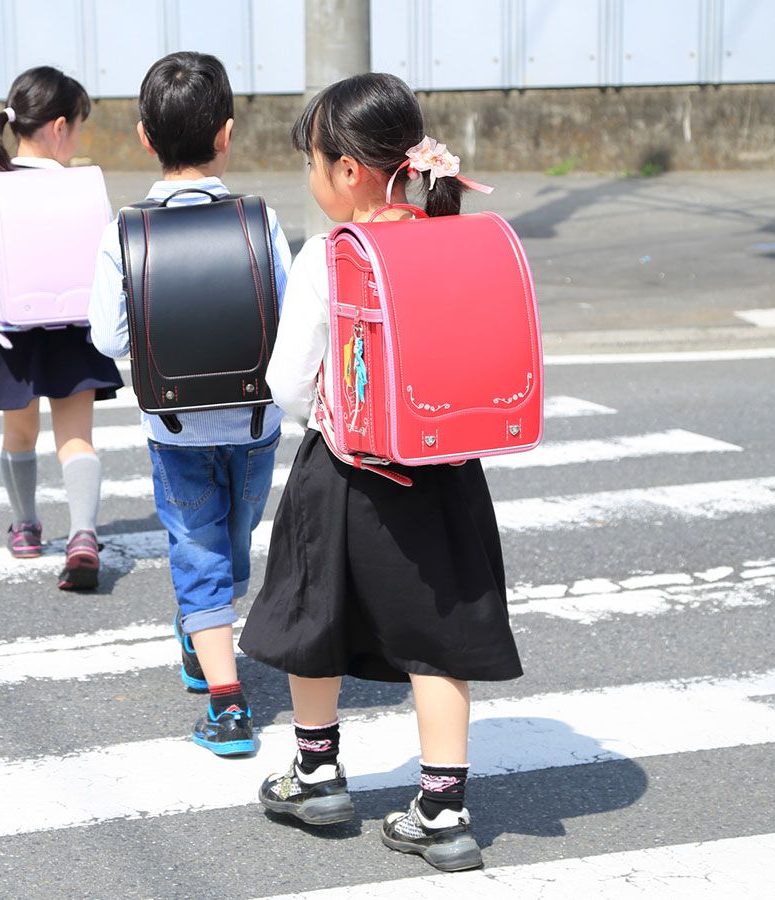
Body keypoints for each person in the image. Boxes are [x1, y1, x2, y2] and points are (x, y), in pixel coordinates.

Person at [239, 72, 522, 872]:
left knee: (312, 615)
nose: (311, 178)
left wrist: (327, 413)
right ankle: (442, 806)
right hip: (446, 470)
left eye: (313, 162)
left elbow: (289, 381)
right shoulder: (453, 233)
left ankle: (317, 771)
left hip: (348, 472)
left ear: (350, 171)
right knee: (437, 641)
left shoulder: (334, 256)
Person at [88, 51, 291, 756]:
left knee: (199, 547)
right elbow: (288, 319)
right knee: (232, 544)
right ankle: (219, 666)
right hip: (257, 419)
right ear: (227, 134)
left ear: (145, 137)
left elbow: (107, 334)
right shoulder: (258, 221)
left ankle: (224, 704)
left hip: (174, 427)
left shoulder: (126, 231)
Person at [0, 66, 123, 591]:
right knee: (76, 439)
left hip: (10, 331)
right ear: (61, 126)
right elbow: (108, 261)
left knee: (18, 434)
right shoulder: (85, 188)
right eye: (81, 129)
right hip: (75, 327)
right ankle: (84, 534)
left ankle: (25, 528)